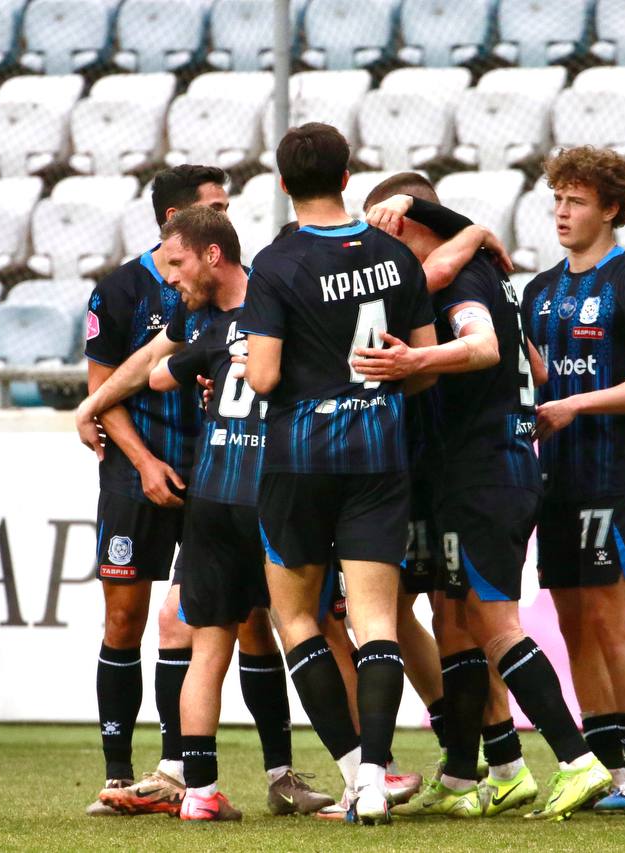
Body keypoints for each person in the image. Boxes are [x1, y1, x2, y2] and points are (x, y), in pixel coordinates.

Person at [355, 172, 613, 821]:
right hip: (486, 467)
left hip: (483, 473)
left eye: (384, 232)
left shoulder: (465, 277)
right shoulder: (482, 274)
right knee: (461, 618)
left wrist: (418, 363)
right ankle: (477, 771)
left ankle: (578, 760)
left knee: (496, 627)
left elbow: (485, 346)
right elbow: (537, 367)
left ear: (410, 225)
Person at [76, 165, 303, 818]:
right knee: (128, 618)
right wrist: (142, 460)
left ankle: (267, 772)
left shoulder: (229, 288)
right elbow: (114, 384)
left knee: (242, 620)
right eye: (215, 208)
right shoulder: (121, 290)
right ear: (176, 221)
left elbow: (174, 365)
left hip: (220, 472)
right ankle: (125, 773)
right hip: (139, 472)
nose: (225, 220)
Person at [240, 122, 438, 825]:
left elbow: (264, 377)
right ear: (348, 177)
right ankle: (378, 779)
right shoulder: (393, 255)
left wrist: (249, 363)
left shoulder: (276, 263)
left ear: (283, 183)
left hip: (299, 459)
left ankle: (354, 773)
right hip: (378, 450)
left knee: (296, 617)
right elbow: (422, 365)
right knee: (376, 619)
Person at [519, 146, 625, 814]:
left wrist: (576, 405)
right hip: (555, 480)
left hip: (617, 479)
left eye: (576, 200)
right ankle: (606, 768)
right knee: (575, 627)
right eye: (557, 198)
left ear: (610, 208)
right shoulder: (538, 292)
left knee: (612, 624)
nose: (561, 211)